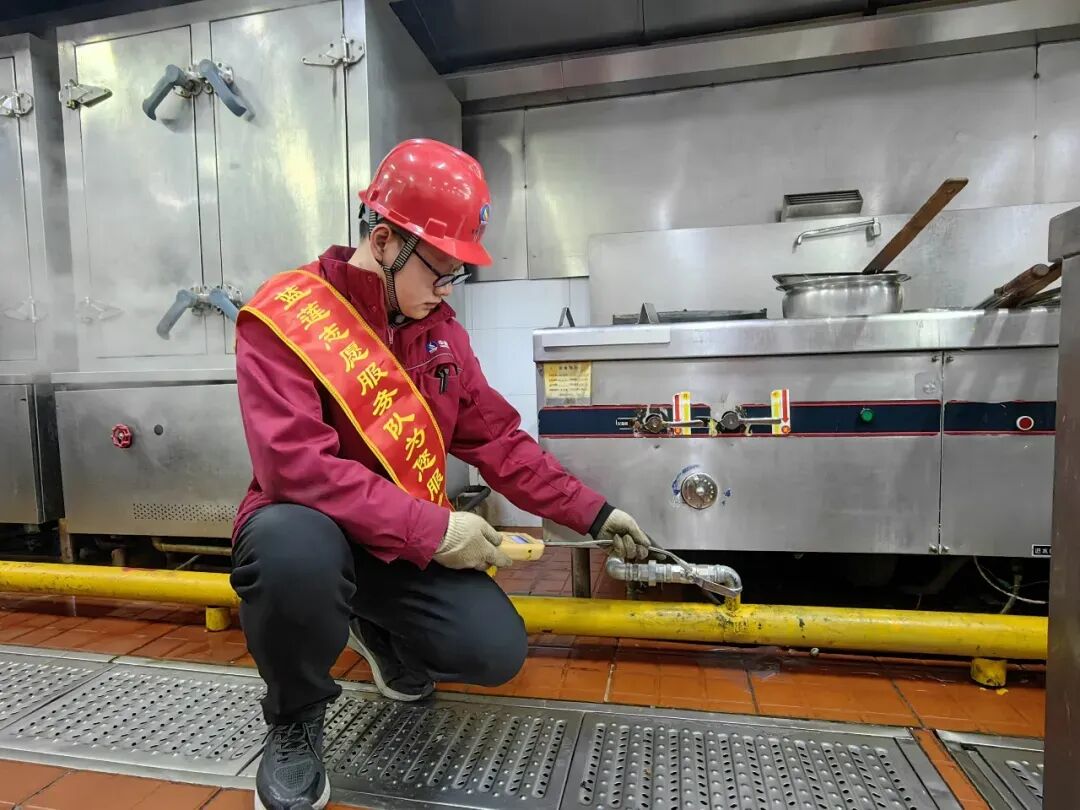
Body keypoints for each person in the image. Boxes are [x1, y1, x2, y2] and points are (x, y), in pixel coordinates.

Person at [229, 138, 651, 810]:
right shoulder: (286, 317)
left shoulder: (440, 333)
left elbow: (498, 439)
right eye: (441, 272)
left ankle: (376, 626)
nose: (446, 290)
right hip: (313, 531)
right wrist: (434, 529)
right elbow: (294, 467)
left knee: (493, 650)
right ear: (385, 242)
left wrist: (593, 512)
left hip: (399, 541)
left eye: (458, 276)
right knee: (291, 552)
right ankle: (295, 718)